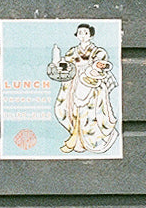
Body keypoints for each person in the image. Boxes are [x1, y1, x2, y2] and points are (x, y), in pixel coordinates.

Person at [48, 23, 118, 153]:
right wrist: (57, 60)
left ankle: (87, 142)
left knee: (90, 114)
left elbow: (100, 64)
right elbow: (66, 65)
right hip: (74, 84)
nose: (82, 35)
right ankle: (75, 140)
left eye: (85, 33)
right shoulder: (72, 51)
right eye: (80, 32)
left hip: (90, 82)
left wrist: (95, 67)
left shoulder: (98, 51)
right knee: (72, 111)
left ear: (91, 35)